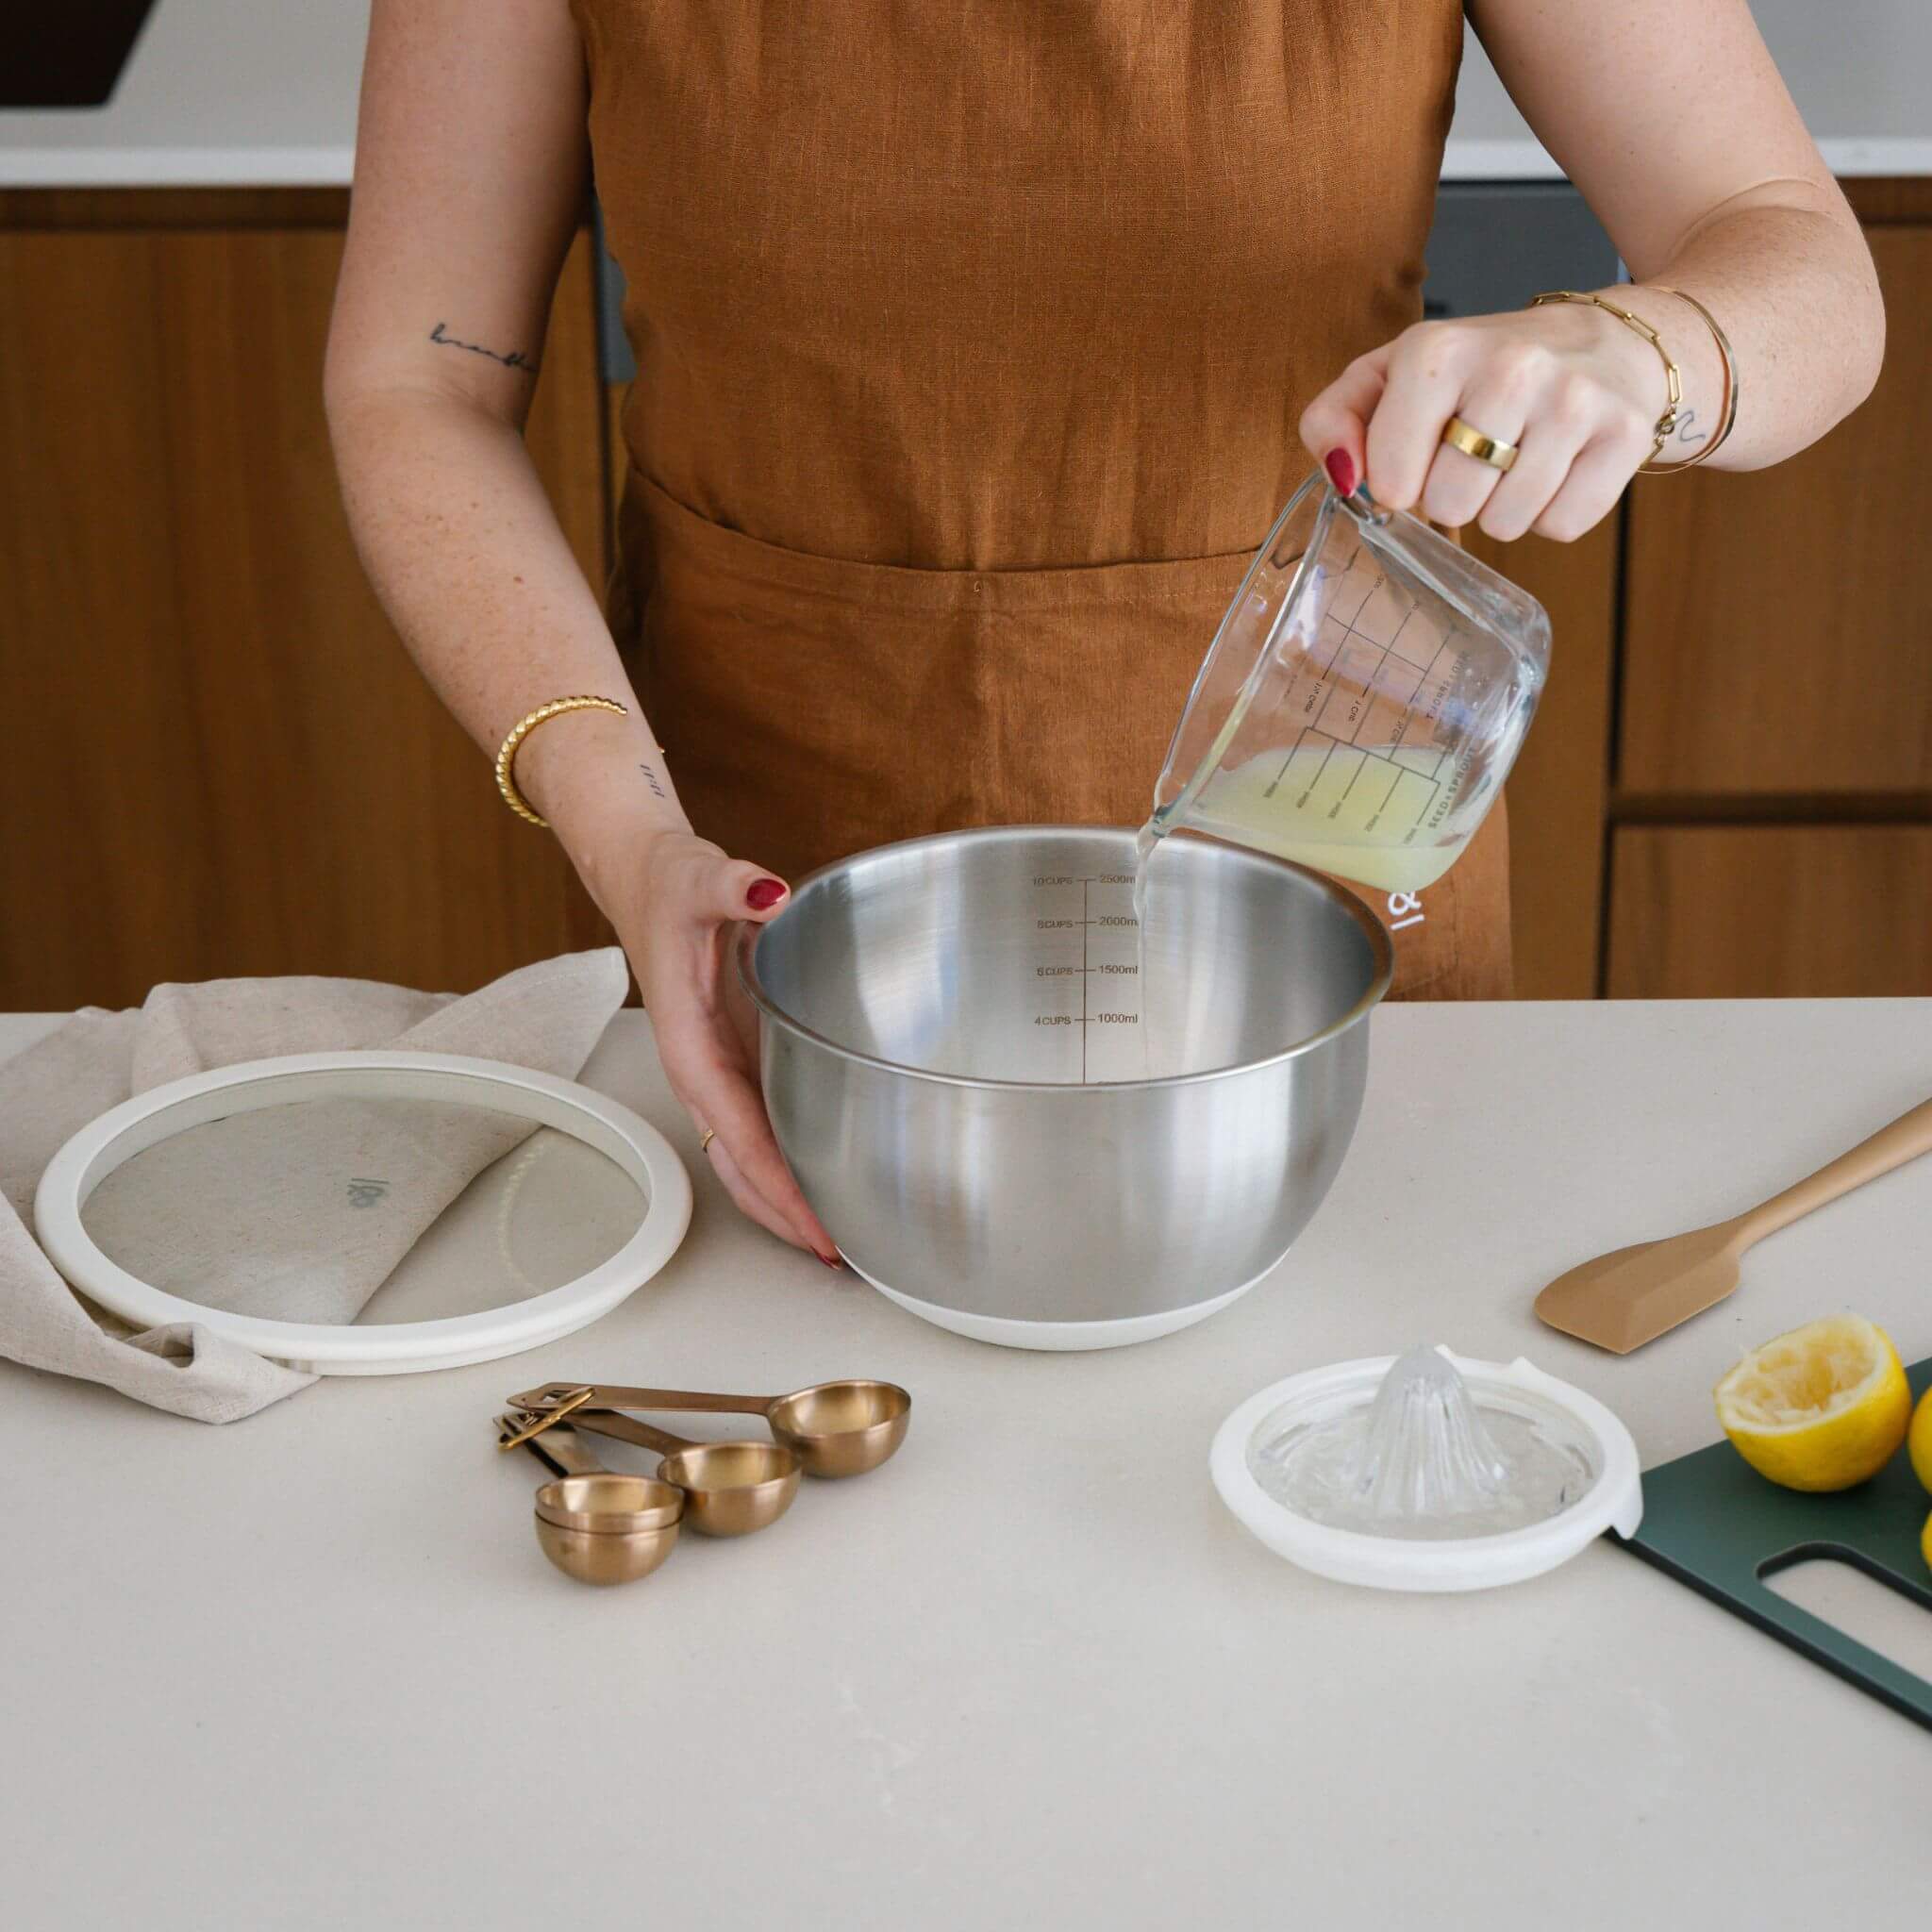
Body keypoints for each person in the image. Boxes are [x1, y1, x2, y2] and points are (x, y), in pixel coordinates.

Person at [326, 1, 1882, 1261]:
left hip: (1328, 848)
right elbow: (420, 378)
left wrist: (1643, 353)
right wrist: (621, 829)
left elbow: (1792, 253)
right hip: (744, 897)